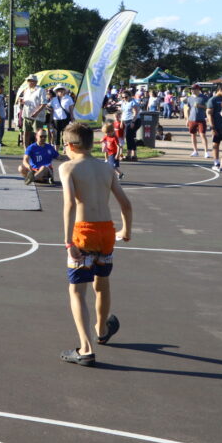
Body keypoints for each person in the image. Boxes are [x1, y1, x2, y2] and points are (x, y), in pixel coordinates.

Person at [58, 122, 133, 367]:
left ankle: (86, 348)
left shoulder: (68, 167)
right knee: (102, 284)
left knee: (77, 291)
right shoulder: (106, 168)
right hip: (106, 231)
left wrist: (69, 242)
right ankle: (101, 330)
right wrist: (126, 230)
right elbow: (125, 204)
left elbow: (70, 204)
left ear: (70, 145)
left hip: (84, 231)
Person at [18, 74, 46, 147]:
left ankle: (38, 149)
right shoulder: (26, 90)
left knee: (38, 134)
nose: (28, 82)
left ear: (34, 82)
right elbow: (26, 100)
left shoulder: (41, 90)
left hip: (38, 117)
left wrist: (36, 112)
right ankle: (26, 150)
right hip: (27, 115)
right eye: (28, 81)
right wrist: (22, 101)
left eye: (29, 81)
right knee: (26, 133)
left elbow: (44, 103)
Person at [184, 84, 210, 159]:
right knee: (193, 135)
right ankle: (195, 151)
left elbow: (208, 107)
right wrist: (187, 120)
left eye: (193, 89)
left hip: (201, 119)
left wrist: (201, 106)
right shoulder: (189, 98)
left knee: (202, 135)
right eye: (191, 89)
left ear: (198, 89)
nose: (192, 90)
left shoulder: (204, 97)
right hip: (192, 119)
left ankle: (206, 152)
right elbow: (188, 109)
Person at [206, 86, 222, 170]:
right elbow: (209, 114)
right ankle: (216, 163)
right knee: (216, 144)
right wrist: (212, 127)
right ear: (220, 90)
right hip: (217, 126)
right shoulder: (213, 100)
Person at [117, 89, 141, 162]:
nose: (124, 98)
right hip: (126, 121)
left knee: (128, 137)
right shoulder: (123, 103)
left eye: (126, 97)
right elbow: (123, 112)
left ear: (130, 96)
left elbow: (135, 113)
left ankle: (129, 155)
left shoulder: (133, 102)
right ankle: (134, 155)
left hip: (133, 120)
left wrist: (133, 122)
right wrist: (121, 121)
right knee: (131, 138)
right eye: (123, 97)